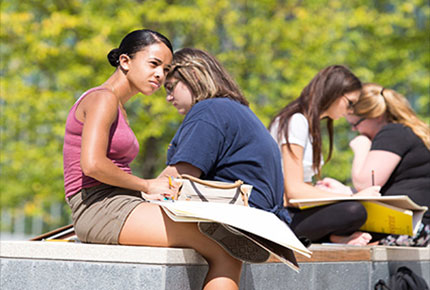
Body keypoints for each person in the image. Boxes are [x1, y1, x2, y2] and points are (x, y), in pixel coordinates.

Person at [63, 30, 244, 290]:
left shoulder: (117, 106)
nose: (161, 75)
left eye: (166, 68)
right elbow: (92, 164)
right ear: (125, 61)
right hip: (99, 208)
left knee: (224, 238)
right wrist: (147, 185)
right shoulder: (102, 98)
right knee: (224, 246)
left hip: (120, 202)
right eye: (154, 64)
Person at [158, 47, 291, 257]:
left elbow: (176, 180)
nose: (168, 97)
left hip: (240, 219)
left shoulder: (208, 111)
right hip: (266, 220)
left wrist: (131, 197)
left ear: (193, 75)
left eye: (170, 87)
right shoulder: (234, 109)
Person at [269, 65, 381, 245]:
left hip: (294, 212)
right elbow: (294, 191)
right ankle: (334, 237)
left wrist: (326, 191)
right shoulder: (296, 121)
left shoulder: (308, 125)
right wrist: (353, 197)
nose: (350, 111)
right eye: (350, 103)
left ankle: (334, 237)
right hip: (282, 216)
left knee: (367, 216)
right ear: (334, 93)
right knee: (355, 211)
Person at [347, 83, 430, 246]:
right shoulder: (408, 131)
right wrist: (343, 191)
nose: (355, 130)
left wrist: (361, 148)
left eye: (356, 124)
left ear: (376, 116)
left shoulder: (392, 132)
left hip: (410, 228)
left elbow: (365, 183)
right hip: (418, 226)